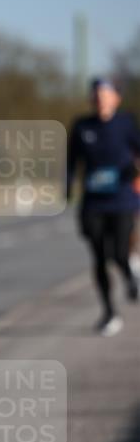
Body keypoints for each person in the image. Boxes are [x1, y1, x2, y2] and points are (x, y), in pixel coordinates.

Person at [67, 77, 140, 336]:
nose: (100, 99)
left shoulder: (126, 123)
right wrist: (67, 186)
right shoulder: (81, 126)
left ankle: (129, 277)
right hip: (93, 202)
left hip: (122, 200)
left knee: (119, 253)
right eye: (96, 95)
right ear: (91, 99)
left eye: (105, 94)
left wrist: (135, 171)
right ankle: (109, 312)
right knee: (98, 257)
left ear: (116, 99)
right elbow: (71, 161)